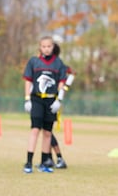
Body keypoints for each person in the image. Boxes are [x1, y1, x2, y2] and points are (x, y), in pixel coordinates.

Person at [22, 35, 67, 174]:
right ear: (40, 47)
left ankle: (44, 162)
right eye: (44, 46)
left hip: (51, 100)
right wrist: (27, 98)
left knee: (47, 133)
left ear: (53, 47)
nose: (46, 49)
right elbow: (28, 81)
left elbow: (62, 83)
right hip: (37, 99)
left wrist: (58, 100)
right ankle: (28, 162)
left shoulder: (58, 63)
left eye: (49, 46)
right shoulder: (34, 62)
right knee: (35, 130)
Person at [48, 39, 75, 170]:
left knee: (47, 130)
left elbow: (71, 75)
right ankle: (48, 159)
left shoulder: (59, 66)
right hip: (44, 100)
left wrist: (59, 98)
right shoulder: (48, 65)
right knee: (45, 130)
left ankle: (59, 158)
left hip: (53, 101)